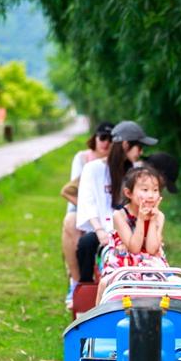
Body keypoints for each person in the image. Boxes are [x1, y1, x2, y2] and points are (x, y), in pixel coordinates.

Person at [76, 119, 158, 282]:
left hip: (130, 227)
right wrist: (99, 230)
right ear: (126, 145)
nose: (140, 152)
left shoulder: (136, 172)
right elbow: (88, 202)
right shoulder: (93, 169)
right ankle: (85, 289)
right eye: (139, 147)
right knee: (86, 244)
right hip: (102, 228)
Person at [96, 165, 168, 302]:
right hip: (124, 263)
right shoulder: (120, 215)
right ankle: (99, 320)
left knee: (178, 285)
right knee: (105, 283)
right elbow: (134, 248)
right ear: (129, 193)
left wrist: (152, 220)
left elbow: (152, 249)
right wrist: (141, 219)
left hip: (151, 263)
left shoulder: (159, 216)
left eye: (155, 190)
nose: (151, 195)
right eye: (145, 190)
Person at [62, 121, 113, 303]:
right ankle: (76, 283)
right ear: (95, 138)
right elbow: (71, 190)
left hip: (106, 212)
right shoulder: (84, 160)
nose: (106, 143)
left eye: (110, 139)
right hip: (81, 207)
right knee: (71, 223)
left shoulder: (117, 163)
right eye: (102, 138)